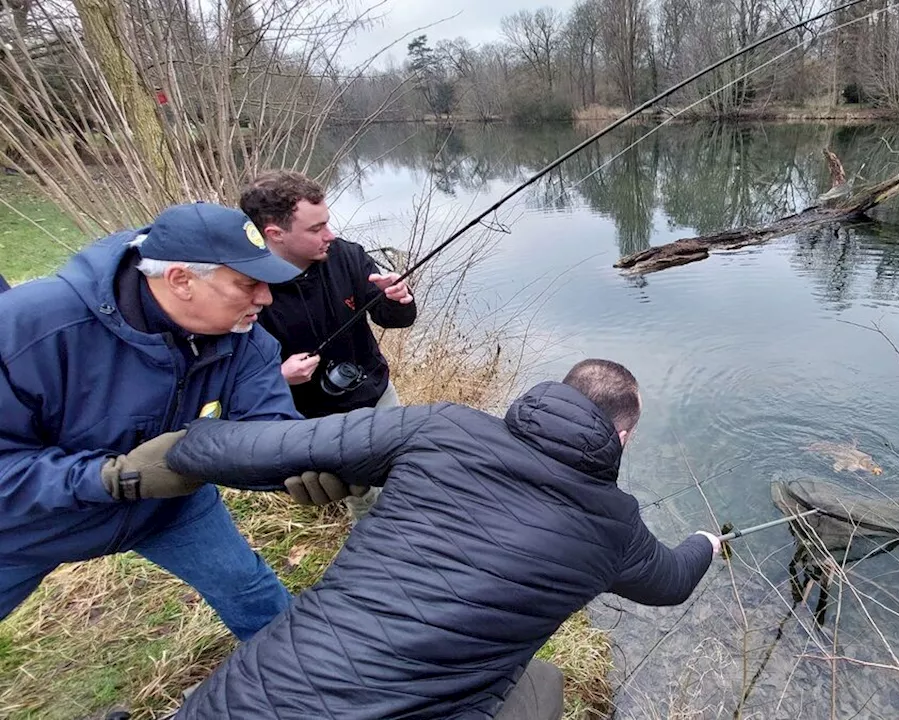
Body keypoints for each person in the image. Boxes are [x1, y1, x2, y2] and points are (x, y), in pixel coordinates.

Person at [161, 359, 724, 719]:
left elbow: (252, 452)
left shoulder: (441, 426)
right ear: (622, 436)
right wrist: (706, 541)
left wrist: (195, 436)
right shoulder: (616, 525)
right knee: (543, 685)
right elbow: (671, 582)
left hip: (247, 702)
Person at [0, 202, 359, 641]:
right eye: (248, 284)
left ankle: (309, 678)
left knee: (253, 594)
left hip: (169, 506)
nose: (265, 298)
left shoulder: (248, 341)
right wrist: (113, 478)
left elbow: (269, 433)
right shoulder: (28, 328)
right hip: (28, 525)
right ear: (181, 280)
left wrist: (311, 463)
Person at [238, 170, 417, 522]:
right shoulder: (244, 287)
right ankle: (379, 553)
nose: (329, 235)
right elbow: (232, 378)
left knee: (406, 474)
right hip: (315, 420)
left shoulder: (347, 256)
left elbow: (393, 319)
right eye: (315, 228)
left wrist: (398, 298)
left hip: (377, 395)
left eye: (327, 223)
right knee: (367, 497)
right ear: (275, 234)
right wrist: (278, 377)